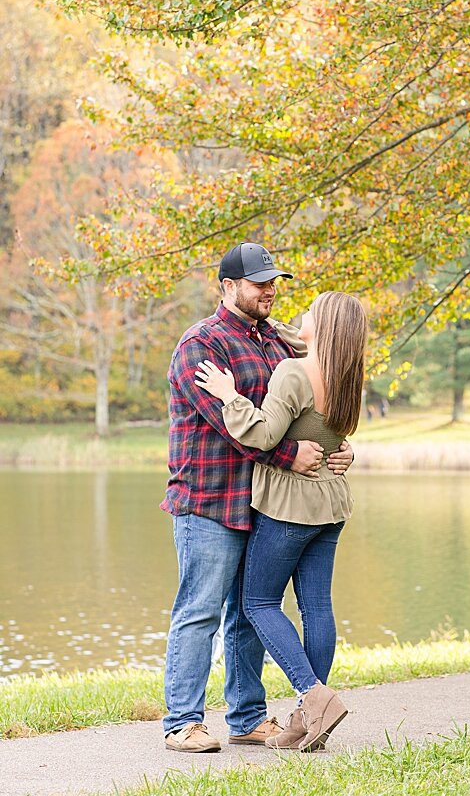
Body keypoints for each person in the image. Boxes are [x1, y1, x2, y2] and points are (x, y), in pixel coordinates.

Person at [161, 242, 353, 753]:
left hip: (262, 502)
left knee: (248, 612)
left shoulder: (276, 340)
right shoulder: (201, 346)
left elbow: (314, 399)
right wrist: (294, 457)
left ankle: (247, 716)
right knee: (199, 610)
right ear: (228, 286)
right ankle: (182, 722)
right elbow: (235, 430)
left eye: (274, 281)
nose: (271, 290)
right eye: (259, 282)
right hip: (208, 499)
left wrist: (338, 448)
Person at [196, 290, 368, 753]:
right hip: (331, 506)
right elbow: (337, 435)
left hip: (290, 507)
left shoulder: (294, 372)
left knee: (258, 603)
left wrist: (230, 395)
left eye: (310, 311)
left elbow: (263, 432)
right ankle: (306, 720)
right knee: (316, 607)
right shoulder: (348, 377)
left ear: (325, 326)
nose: (300, 314)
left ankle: (314, 698)